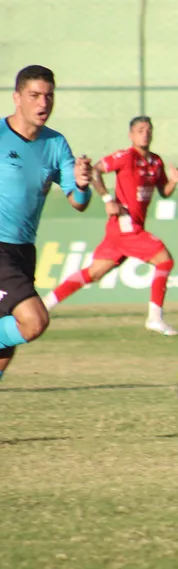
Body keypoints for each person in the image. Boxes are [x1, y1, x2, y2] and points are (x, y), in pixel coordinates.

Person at [43, 116, 178, 335]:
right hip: (125, 226)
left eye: (148, 130)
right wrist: (108, 199)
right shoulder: (125, 156)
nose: (145, 134)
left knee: (94, 273)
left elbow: (164, 192)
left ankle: (46, 304)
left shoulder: (155, 162)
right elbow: (96, 170)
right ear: (131, 135)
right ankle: (154, 318)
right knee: (164, 260)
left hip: (122, 230)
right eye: (140, 130)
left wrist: (173, 181)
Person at [0, 65, 92, 382]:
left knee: (5, 348)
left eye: (49, 96)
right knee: (33, 321)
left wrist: (82, 184)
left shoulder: (55, 143)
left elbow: (78, 201)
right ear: (17, 98)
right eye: (34, 95)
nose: (43, 103)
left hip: (24, 250)